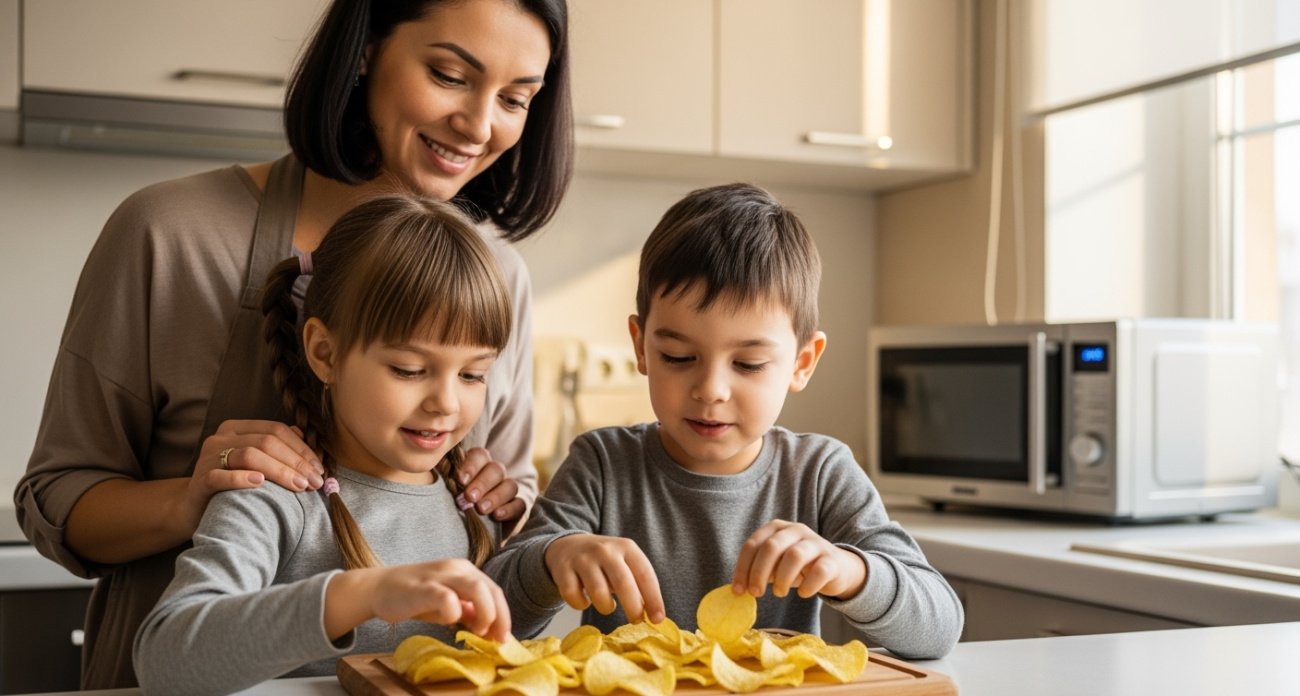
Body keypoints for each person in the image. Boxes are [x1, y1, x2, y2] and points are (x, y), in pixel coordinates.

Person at [14, 0, 572, 688]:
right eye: (450, 75)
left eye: (516, 98)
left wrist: (513, 510)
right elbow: (57, 502)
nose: (482, 125)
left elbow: (500, 546)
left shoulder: (498, 277)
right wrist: (191, 500)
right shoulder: (171, 234)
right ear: (366, 49)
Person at [485, 183, 964, 659]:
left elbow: (940, 625)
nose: (710, 389)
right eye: (677, 356)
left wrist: (852, 572)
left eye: (748, 364)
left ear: (802, 362)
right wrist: (551, 559)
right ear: (640, 346)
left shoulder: (821, 473)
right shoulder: (602, 465)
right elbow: (494, 611)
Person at [134, 194, 514, 696]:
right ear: (324, 353)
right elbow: (165, 658)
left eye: (473, 374)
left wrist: (553, 559)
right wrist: (362, 594)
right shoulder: (277, 496)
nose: (445, 403)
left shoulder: (472, 501)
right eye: (409, 370)